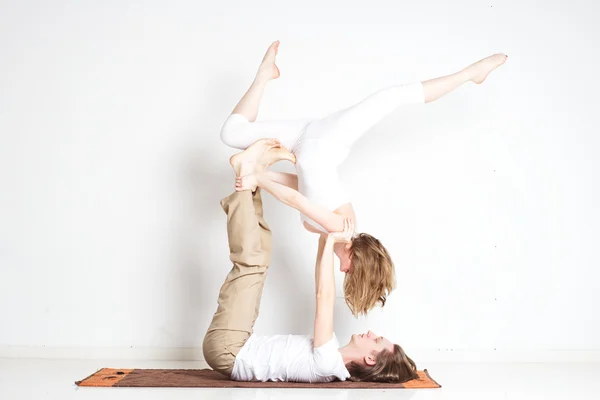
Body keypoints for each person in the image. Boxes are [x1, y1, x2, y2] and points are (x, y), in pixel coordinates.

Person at [220, 41, 507, 316]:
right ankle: (472, 73)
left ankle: (264, 76)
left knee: (231, 133)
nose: (343, 270)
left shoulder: (330, 234)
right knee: (391, 97)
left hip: (301, 141)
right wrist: (257, 176)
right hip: (327, 139)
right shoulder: (340, 228)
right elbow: (294, 200)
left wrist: (264, 175)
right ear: (356, 260)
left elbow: (301, 187)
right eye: (349, 272)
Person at [203, 140, 418, 383]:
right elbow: (320, 281)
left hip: (230, 350)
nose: (371, 332)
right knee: (261, 254)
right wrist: (326, 239)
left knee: (251, 263)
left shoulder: (328, 364)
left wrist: (329, 242)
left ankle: (247, 176)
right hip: (238, 344)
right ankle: (251, 180)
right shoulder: (330, 354)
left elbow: (323, 296)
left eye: (376, 340)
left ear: (370, 358)